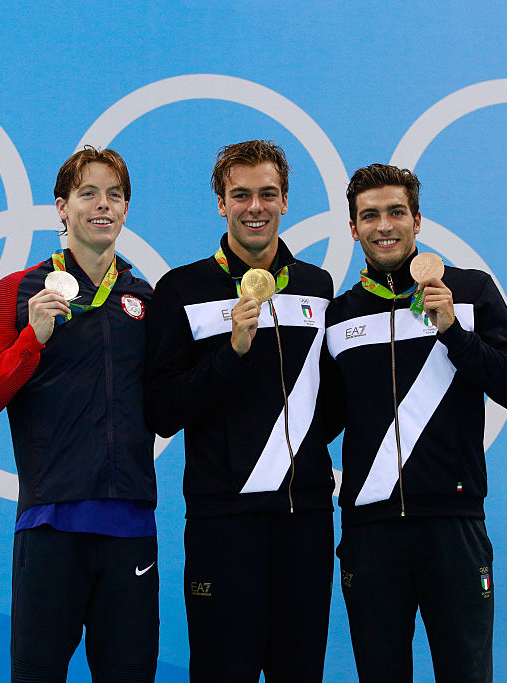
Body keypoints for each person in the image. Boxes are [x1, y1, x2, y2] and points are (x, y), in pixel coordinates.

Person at [325, 164, 507, 682]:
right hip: (370, 535)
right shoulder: (339, 316)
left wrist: (454, 332)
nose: (384, 226)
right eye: (369, 216)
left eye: (396, 212)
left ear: (417, 220)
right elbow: (316, 422)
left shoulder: (468, 293)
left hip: (454, 525)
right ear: (353, 229)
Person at [0, 147, 158, 683]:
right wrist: (32, 339)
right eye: (88, 193)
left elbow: (172, 399)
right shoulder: (18, 291)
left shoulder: (145, 297)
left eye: (115, 195)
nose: (103, 205)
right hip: (50, 525)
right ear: (61, 208)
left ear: (126, 209)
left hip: (130, 528)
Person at [144, 140, 335, 682]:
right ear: (220, 203)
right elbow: (161, 411)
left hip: (306, 518)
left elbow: (333, 401)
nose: (256, 207)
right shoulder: (181, 289)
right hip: (222, 521)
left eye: (268, 194)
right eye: (242, 195)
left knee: (300, 673)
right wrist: (230, 355)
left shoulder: (318, 289)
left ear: (285, 201)